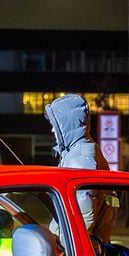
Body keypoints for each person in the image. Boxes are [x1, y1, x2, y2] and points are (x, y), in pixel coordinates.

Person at [44, 94, 113, 239]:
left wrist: (66, 251)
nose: (52, 131)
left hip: (73, 252)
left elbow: (82, 216)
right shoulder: (81, 152)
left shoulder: (80, 160)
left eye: (54, 125)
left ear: (66, 126)